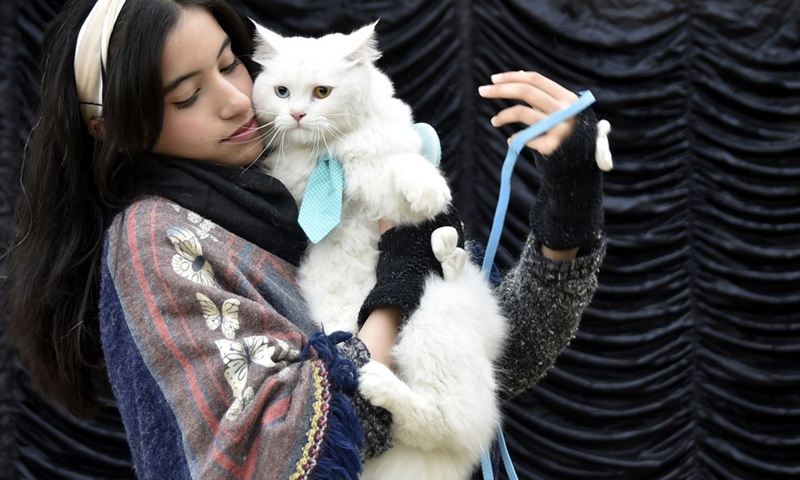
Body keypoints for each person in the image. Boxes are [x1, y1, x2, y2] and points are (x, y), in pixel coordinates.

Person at [6, 0, 607, 478]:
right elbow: (290, 455)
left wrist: (568, 203)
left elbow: (492, 365)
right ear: (112, 128)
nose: (237, 99)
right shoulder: (157, 242)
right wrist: (398, 289)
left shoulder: (301, 172)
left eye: (230, 64)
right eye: (188, 95)